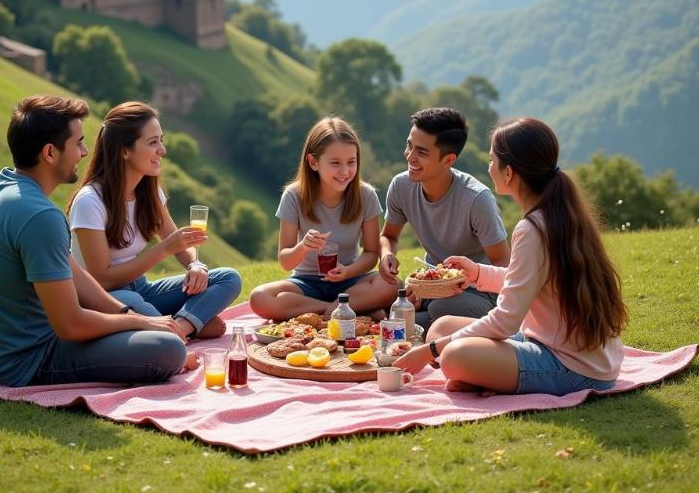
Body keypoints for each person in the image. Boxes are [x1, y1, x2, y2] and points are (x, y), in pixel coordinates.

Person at [0, 95, 191, 387]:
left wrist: (126, 312)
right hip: (23, 362)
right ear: (50, 153)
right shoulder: (40, 216)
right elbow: (71, 325)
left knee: (152, 328)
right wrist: (139, 321)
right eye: (78, 143)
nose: (85, 151)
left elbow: (74, 272)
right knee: (169, 350)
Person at [395, 117, 627, 396]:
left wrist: (428, 351)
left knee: (453, 355)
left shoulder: (532, 228)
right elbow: (529, 278)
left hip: (574, 367)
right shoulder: (556, 214)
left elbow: (505, 320)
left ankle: (489, 376)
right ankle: (489, 376)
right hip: (556, 344)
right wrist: (477, 274)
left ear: (509, 174)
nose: (488, 166)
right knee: (442, 327)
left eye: (492, 160)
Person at [68, 101, 241, 340]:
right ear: (124, 150)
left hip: (141, 288)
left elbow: (180, 246)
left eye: (161, 140)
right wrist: (163, 250)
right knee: (207, 326)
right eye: (152, 143)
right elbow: (101, 278)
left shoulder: (149, 194)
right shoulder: (90, 201)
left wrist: (195, 266)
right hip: (107, 298)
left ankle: (178, 328)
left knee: (228, 278)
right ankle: (182, 326)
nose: (162, 150)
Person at [249, 117, 398, 321]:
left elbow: (371, 253)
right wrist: (303, 246)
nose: (345, 172)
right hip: (305, 284)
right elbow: (285, 260)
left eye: (351, 162)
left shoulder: (366, 195)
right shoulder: (293, 196)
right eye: (335, 163)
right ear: (313, 162)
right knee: (260, 298)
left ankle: (325, 312)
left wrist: (347, 271)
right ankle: (343, 311)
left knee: (392, 285)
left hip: (350, 282)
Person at [378, 107, 509, 330]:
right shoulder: (401, 186)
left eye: (422, 152)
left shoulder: (477, 200)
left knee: (435, 310)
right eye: (409, 146)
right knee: (392, 297)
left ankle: (421, 323)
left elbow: (503, 263)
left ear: (448, 160)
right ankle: (419, 323)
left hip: (479, 294)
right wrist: (386, 254)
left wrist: (471, 279)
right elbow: (388, 236)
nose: (410, 156)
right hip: (431, 287)